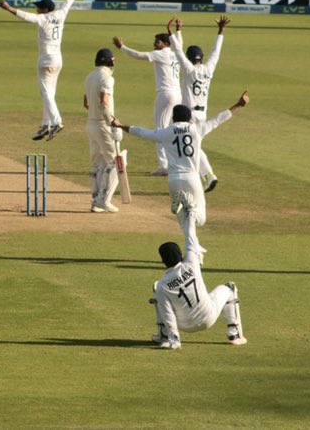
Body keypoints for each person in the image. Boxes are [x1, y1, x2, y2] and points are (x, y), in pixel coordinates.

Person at [113, 91, 248, 240]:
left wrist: (120, 126)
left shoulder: (165, 132)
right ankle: (191, 213)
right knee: (200, 219)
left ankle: (193, 251)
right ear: (189, 118)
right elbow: (218, 119)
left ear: (173, 118)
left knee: (184, 223)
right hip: (192, 178)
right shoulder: (197, 129)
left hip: (174, 180)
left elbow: (142, 132)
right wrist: (238, 105)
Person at [146, 217, 246, 349]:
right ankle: (235, 335)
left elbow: (167, 313)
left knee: (157, 291)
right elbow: (190, 238)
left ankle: (164, 335)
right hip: (209, 317)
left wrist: (174, 340)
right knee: (229, 288)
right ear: (180, 255)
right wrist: (190, 218)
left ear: (163, 261)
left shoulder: (162, 285)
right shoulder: (191, 264)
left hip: (184, 325)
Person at [0, 0, 79, 140]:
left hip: (45, 61)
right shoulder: (61, 14)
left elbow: (25, 16)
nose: (37, 9)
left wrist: (8, 8)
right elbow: (69, 2)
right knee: (50, 94)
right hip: (57, 60)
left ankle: (57, 121)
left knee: (46, 93)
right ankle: (45, 124)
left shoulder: (43, 19)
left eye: (39, 7)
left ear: (46, 9)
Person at [167, 16, 230, 191]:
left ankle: (207, 177)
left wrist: (172, 33)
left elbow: (178, 52)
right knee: (196, 145)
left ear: (189, 58)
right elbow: (215, 52)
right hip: (202, 114)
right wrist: (221, 31)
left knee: (193, 146)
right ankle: (208, 176)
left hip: (189, 116)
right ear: (201, 58)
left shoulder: (188, 70)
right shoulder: (208, 69)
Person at [112, 31, 181, 175]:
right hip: (177, 95)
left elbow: (138, 55)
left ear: (166, 44)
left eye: (158, 42)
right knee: (171, 130)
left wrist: (122, 47)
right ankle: (172, 163)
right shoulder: (175, 53)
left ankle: (164, 166)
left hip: (166, 94)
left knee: (160, 131)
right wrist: (177, 31)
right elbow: (179, 43)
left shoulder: (162, 54)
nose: (155, 44)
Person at [83, 48, 122, 213]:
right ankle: (104, 200)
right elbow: (103, 103)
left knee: (99, 162)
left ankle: (95, 201)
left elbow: (87, 104)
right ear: (109, 61)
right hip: (102, 125)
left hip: (90, 123)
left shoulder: (90, 76)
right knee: (114, 162)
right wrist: (112, 122)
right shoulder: (107, 78)